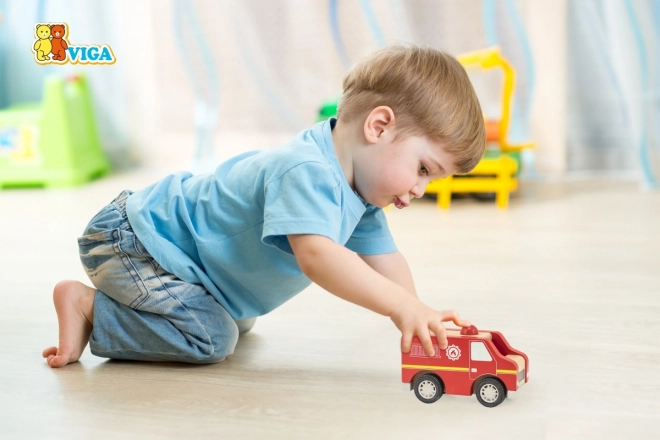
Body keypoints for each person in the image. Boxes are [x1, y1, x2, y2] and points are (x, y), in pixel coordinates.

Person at [42, 44, 486, 368]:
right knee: (212, 338)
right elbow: (318, 257)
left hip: (178, 259)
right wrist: (397, 306)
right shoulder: (307, 171)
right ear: (380, 126)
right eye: (424, 169)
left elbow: (385, 258)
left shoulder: (360, 193)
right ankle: (88, 308)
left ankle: (158, 308)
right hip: (133, 244)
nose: (421, 189)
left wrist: (417, 312)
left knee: (241, 321)